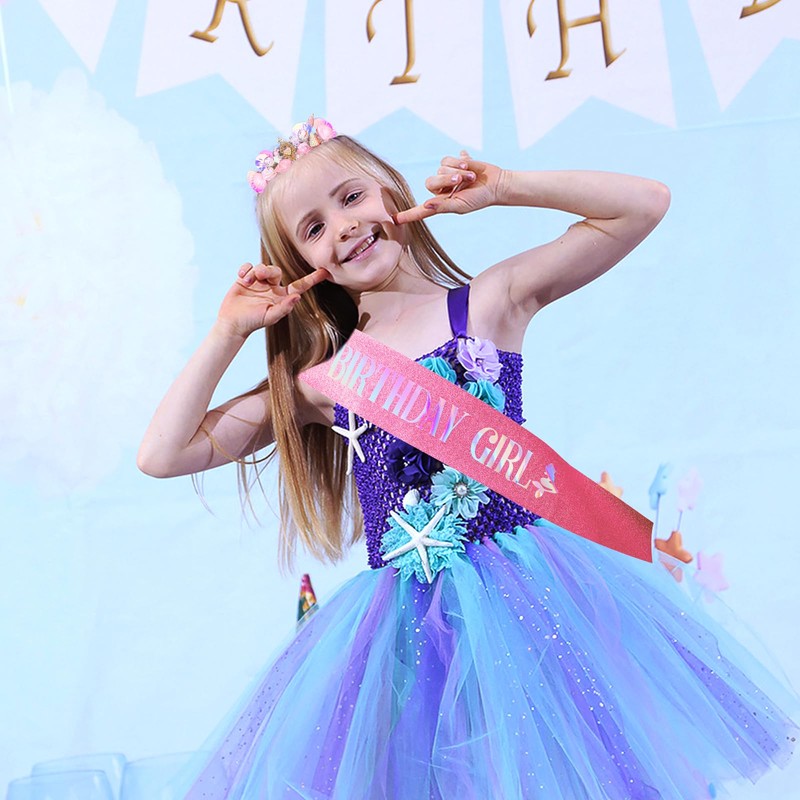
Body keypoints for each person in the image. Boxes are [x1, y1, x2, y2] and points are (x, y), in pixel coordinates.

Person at [137, 118, 797, 799]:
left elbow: (644, 203)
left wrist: (507, 186)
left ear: (390, 190)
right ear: (304, 264)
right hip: (403, 641)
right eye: (312, 228)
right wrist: (228, 332)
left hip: (530, 607)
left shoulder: (489, 302)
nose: (343, 226)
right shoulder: (323, 381)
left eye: (351, 197)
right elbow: (162, 453)